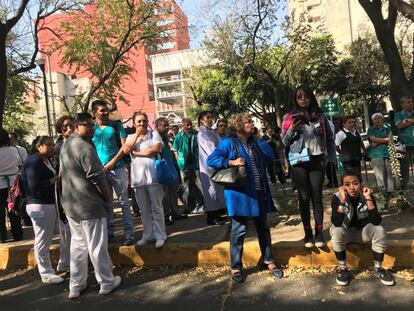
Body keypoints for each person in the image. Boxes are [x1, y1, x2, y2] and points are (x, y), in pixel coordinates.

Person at [207, 113, 283, 283]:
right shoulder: (228, 142)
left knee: (263, 227)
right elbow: (211, 160)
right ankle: (235, 266)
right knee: (239, 230)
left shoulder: (255, 142)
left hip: (258, 191)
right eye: (248, 121)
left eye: (251, 121)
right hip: (239, 193)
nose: (251, 123)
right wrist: (231, 162)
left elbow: (270, 156)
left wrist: (260, 138)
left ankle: (269, 261)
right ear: (238, 125)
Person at [60, 113, 121, 299]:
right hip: (89, 205)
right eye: (88, 125)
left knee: (78, 246)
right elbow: (97, 177)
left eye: (93, 124)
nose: (92, 127)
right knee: (96, 246)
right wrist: (108, 199)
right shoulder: (84, 146)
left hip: (71, 205)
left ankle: (76, 285)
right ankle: (106, 282)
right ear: (77, 127)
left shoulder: (66, 144)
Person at [282, 85, 335, 248]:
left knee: (317, 197)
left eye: (305, 96)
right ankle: (307, 234)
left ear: (311, 97)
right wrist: (291, 129)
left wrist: (329, 158)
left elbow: (330, 138)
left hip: (317, 159)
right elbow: (283, 141)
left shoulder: (320, 116)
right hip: (298, 160)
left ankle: (319, 232)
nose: (302, 99)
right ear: (295, 99)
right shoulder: (289, 117)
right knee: (303, 197)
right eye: (299, 97)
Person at [330, 171, 395, 286]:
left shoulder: (367, 196)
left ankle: (378, 269)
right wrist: (342, 201)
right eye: (347, 184)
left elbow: (376, 221)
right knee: (337, 230)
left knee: (379, 230)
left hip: (362, 234)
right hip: (345, 235)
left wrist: (368, 198)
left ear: (360, 184)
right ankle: (343, 269)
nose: (352, 188)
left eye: (355, 183)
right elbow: (337, 222)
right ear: (343, 187)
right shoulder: (336, 198)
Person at [21, 136, 70, 283]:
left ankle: (64, 263)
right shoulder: (33, 161)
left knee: (66, 231)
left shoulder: (47, 160)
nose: (51, 147)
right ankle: (46, 273)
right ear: (38, 146)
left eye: (52, 145)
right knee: (43, 241)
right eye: (47, 145)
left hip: (50, 205)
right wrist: (54, 179)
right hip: (39, 206)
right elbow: (33, 185)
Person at [91, 99, 134, 246]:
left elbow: (124, 147)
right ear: (94, 113)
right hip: (100, 171)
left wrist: (112, 163)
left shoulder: (116, 125)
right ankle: (109, 232)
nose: (105, 112)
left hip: (118, 168)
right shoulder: (92, 129)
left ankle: (129, 233)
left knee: (124, 202)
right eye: (102, 110)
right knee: (106, 203)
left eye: (106, 109)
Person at [123, 112, 167, 248]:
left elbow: (156, 148)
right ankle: (148, 235)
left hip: (153, 176)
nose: (142, 124)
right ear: (134, 123)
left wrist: (137, 153)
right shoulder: (130, 137)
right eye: (139, 121)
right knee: (144, 209)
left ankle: (161, 235)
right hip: (138, 178)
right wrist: (136, 135)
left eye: (144, 121)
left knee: (157, 207)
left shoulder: (154, 134)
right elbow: (126, 150)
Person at [154, 117, 187, 225]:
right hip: (161, 166)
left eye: (167, 125)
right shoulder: (154, 137)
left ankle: (175, 213)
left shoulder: (165, 138)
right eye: (164, 125)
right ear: (157, 126)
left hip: (170, 165)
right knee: (164, 194)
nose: (167, 127)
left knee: (173, 191)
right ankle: (165, 216)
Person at [197, 111, 226, 226]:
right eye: (207, 118)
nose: (210, 119)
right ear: (201, 120)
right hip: (209, 166)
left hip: (216, 164)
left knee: (217, 190)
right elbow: (211, 149)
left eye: (211, 117)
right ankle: (211, 216)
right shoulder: (202, 133)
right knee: (211, 191)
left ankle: (217, 213)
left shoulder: (211, 132)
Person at [172, 117, 204, 213]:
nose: (190, 126)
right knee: (186, 186)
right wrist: (178, 159)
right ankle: (190, 206)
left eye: (191, 124)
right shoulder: (179, 136)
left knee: (198, 184)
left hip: (195, 164)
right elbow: (174, 149)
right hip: (184, 166)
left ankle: (202, 203)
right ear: (183, 125)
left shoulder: (196, 133)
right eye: (187, 125)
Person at [0, 129, 23, 243]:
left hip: (0, 185)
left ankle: (2, 237)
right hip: (13, 186)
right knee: (14, 211)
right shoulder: (14, 150)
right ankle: (18, 235)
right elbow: (19, 165)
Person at [367, 113, 394, 193]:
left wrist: (377, 141)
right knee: (379, 176)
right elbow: (372, 139)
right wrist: (385, 140)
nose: (377, 120)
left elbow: (391, 138)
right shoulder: (371, 129)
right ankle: (382, 192)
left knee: (390, 174)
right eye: (375, 119)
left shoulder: (387, 127)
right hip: (376, 154)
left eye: (379, 118)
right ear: (373, 121)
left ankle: (391, 191)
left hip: (388, 153)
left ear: (382, 119)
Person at [335, 116, 365, 180]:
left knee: (357, 178)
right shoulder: (341, 133)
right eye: (349, 122)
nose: (352, 124)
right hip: (347, 161)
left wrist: (364, 150)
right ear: (344, 124)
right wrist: (342, 153)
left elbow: (360, 142)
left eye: (353, 122)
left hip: (357, 158)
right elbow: (336, 146)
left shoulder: (355, 131)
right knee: (349, 178)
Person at [394, 96, 414, 189]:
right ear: (402, 104)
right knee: (404, 167)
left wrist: (407, 120)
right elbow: (399, 125)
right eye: (408, 102)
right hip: (404, 144)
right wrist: (407, 121)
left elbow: (404, 123)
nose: (411, 103)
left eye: (411, 102)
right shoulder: (398, 115)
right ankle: (404, 186)